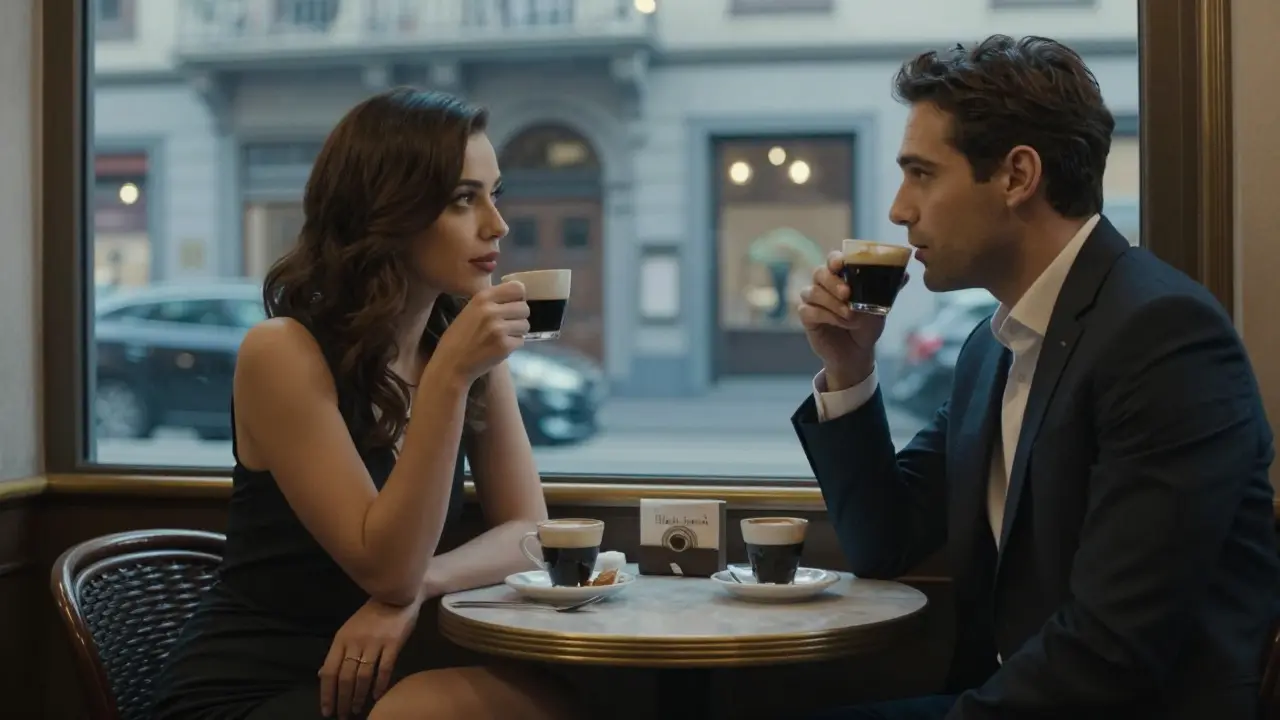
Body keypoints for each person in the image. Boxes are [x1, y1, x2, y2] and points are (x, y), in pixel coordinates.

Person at [792, 35, 1279, 719]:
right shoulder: (990, 351)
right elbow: (883, 542)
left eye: (922, 174)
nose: (900, 210)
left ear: (1018, 176)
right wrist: (849, 366)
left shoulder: (1163, 335)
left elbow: (1113, 650)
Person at [151, 88, 580, 720]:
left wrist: (422, 588)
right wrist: (450, 376)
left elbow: (530, 532)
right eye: (463, 199)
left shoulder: (462, 351)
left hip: (371, 683)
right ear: (389, 210)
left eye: (496, 194)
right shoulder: (282, 352)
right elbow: (387, 570)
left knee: (545, 697)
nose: (497, 224)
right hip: (251, 689)